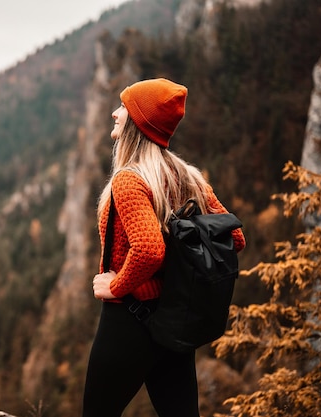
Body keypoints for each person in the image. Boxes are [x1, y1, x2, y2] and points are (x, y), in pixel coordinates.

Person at [82, 78, 246, 417]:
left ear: (139, 121)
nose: (115, 114)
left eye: (123, 108)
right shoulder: (188, 176)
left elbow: (148, 249)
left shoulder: (129, 181)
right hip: (172, 319)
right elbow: (234, 238)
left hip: (127, 322)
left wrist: (115, 285)